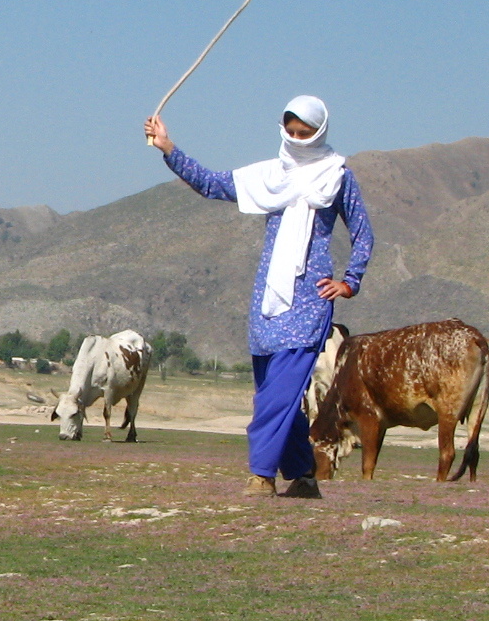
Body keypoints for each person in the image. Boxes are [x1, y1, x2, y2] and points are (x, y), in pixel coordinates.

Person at [144, 96, 373, 497]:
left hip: (309, 301)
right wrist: (168, 148)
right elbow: (211, 184)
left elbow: (363, 233)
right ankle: (303, 476)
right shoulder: (270, 175)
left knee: (276, 398)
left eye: (305, 133)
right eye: (291, 132)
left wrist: (349, 282)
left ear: (320, 132)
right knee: (275, 395)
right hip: (268, 301)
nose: (297, 139)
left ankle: (261, 475)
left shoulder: (336, 176)